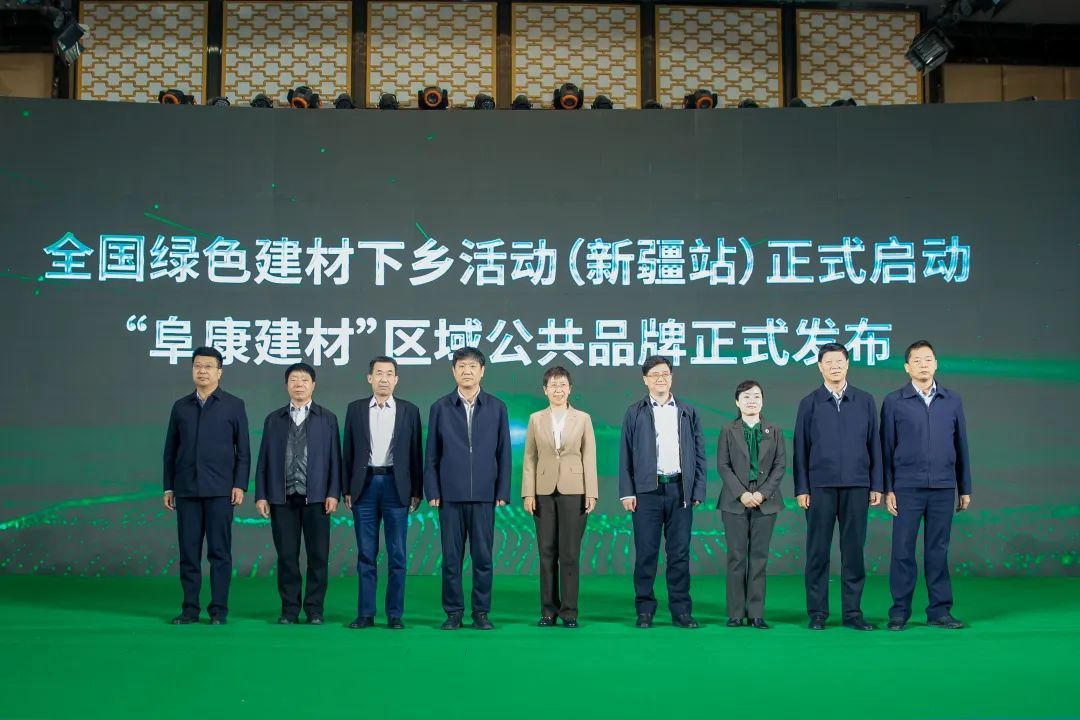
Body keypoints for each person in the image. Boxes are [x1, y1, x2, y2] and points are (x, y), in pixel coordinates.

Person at [881, 340, 972, 631]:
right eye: (917, 360)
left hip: (943, 487)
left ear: (936, 364)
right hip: (906, 488)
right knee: (902, 550)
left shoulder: (952, 400)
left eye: (928, 359)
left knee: (937, 550)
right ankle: (899, 612)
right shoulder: (894, 401)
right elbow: (885, 448)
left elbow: (961, 445)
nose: (923, 364)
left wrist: (964, 487)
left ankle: (939, 611)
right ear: (907, 367)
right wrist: (888, 488)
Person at [793, 343, 882, 631]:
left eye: (839, 361)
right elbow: (800, 449)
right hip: (820, 487)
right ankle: (817, 613)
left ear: (847, 364)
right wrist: (802, 488)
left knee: (853, 552)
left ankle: (853, 613)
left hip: (857, 485)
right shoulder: (809, 403)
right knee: (818, 552)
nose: (834, 366)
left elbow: (875, 444)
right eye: (828, 362)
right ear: (819, 367)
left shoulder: (865, 400)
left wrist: (876, 484)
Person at [424, 347, 511, 630]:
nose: (467, 371)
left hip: (485, 495)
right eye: (461, 366)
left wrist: (502, 491)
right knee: (451, 559)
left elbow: (504, 453)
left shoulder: (497, 407)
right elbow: (432, 454)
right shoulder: (440, 407)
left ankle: (481, 612)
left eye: (472, 366)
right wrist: (433, 490)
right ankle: (453, 612)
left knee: (483, 558)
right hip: (450, 495)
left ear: (482, 371)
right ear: (453, 371)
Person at [163, 346, 250, 625]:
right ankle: (189, 609)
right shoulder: (181, 407)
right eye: (198, 366)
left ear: (219, 372)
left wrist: (240, 484)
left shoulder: (234, 405)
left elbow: (243, 450)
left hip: (220, 491)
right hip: (187, 490)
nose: (202, 371)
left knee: (219, 553)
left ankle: (218, 611)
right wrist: (169, 487)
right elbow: (170, 450)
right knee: (189, 553)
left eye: (208, 366)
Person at [619, 355, 706, 629]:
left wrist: (697, 488)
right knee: (646, 553)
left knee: (679, 554)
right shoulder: (635, 412)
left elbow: (699, 454)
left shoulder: (687, 412)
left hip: (680, 490)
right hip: (647, 492)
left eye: (665, 373)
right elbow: (625, 455)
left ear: (671, 377)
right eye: (654, 374)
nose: (661, 378)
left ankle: (681, 611)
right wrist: (627, 492)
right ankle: (645, 609)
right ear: (645, 380)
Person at [254, 362, 340, 625]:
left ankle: (314, 609)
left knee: (318, 556)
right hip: (282, 498)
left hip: (317, 498)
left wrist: (333, 493)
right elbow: (263, 460)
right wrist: (261, 495)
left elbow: (335, 460)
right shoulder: (274, 419)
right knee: (287, 556)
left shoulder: (327, 418)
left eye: (304, 380)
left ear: (313, 385)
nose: (299, 384)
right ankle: (289, 609)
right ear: (286, 385)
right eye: (294, 380)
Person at [342, 356, 423, 630]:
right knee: (366, 553)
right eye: (379, 373)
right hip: (364, 486)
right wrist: (347, 488)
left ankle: (394, 614)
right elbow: (348, 451)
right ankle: (365, 613)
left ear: (396, 379)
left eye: (389, 374)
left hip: (395, 486)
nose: (384, 378)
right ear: (370, 378)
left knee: (397, 554)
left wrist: (416, 490)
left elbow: (415, 453)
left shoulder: (409, 410)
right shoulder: (355, 409)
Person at [521, 366, 598, 628]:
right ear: (545, 390)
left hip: (575, 490)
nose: (558, 389)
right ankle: (547, 611)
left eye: (562, 384)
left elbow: (589, 456)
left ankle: (569, 612)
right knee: (546, 552)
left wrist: (592, 492)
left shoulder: (583, 418)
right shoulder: (535, 419)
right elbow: (530, 457)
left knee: (570, 553)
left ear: (570, 389)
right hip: (543, 491)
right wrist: (528, 493)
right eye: (553, 385)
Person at [716, 380, 785, 629]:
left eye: (756, 396)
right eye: (746, 397)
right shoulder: (728, 430)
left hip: (766, 502)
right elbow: (723, 466)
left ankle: (756, 613)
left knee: (759, 558)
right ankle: (735, 613)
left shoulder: (774, 430)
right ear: (737, 402)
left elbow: (780, 466)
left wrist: (762, 493)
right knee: (736, 558)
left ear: (763, 401)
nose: (751, 401)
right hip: (735, 501)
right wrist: (742, 493)